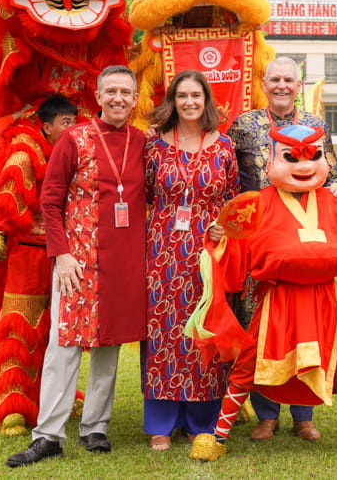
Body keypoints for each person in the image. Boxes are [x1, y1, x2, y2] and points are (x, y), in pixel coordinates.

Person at [186, 124, 337, 461]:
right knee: (249, 365)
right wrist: (219, 237)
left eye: (313, 157)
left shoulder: (336, 201)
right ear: (271, 162)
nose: (304, 166)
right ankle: (217, 437)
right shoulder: (255, 204)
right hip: (279, 301)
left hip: (324, 301)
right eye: (291, 158)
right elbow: (233, 258)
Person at [7, 65, 148, 467]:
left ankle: (95, 427)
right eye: (111, 91)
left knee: (109, 346)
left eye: (126, 91)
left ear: (135, 99)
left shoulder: (142, 143)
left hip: (124, 262)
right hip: (77, 261)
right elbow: (50, 201)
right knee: (64, 346)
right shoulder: (75, 138)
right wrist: (61, 253)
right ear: (99, 98)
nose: (119, 98)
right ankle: (48, 434)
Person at [225, 56, 337, 442]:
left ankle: (303, 416)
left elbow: (335, 177)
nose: (281, 85)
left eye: (288, 80)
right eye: (274, 79)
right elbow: (227, 175)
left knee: (306, 325)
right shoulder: (244, 126)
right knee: (260, 328)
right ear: (263, 82)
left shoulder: (315, 127)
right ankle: (266, 413)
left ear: (299, 83)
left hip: (305, 245)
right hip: (260, 246)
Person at [142, 69, 239, 451]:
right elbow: (147, 194)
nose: (189, 102)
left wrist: (223, 228)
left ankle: (202, 419)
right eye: (182, 96)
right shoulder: (154, 147)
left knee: (204, 329)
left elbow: (233, 198)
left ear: (206, 100)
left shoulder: (225, 147)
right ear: (172, 100)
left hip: (208, 250)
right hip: (163, 248)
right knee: (164, 331)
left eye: (196, 96)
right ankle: (162, 422)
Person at [0, 95, 77, 435]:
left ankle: (54, 399)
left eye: (73, 122)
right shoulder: (25, 149)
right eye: (65, 123)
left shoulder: (79, 152)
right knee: (20, 327)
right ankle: (12, 407)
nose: (71, 129)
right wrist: (17, 114)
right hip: (28, 253)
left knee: (59, 332)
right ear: (45, 126)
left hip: (68, 255)